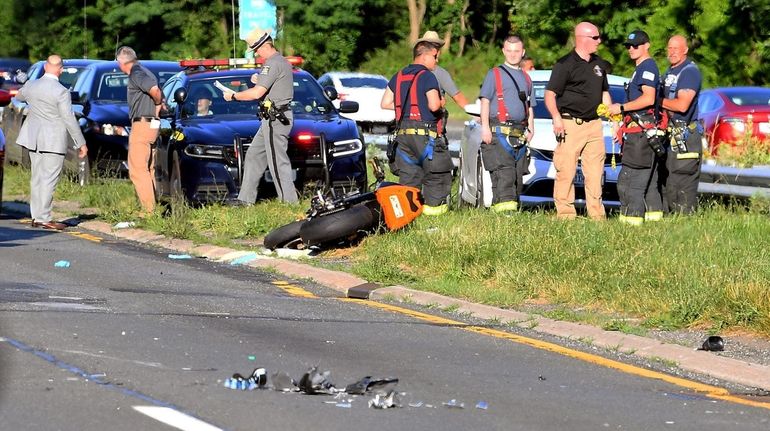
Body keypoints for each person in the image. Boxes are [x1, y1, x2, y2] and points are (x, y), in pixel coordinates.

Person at [544, 21, 612, 220]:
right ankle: (565, 214)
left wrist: (613, 119)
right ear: (583, 39)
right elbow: (550, 94)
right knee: (566, 170)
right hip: (571, 124)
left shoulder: (599, 64)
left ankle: (597, 215)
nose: (599, 41)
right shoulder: (565, 64)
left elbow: (604, 93)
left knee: (595, 172)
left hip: (594, 125)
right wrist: (556, 118)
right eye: (596, 37)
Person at [223, 29, 298, 204]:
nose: (256, 53)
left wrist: (234, 96)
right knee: (254, 155)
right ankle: (245, 200)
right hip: (272, 118)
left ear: (265, 45)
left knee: (277, 163)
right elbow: (272, 84)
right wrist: (260, 80)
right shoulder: (281, 62)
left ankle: (289, 203)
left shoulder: (272, 64)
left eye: (256, 49)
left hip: (275, 118)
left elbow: (257, 94)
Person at [15, 55, 87, 230]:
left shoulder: (32, 85)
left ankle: (36, 215)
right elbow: (68, 118)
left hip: (33, 138)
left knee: (37, 177)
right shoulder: (61, 91)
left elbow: (19, 96)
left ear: (46, 67)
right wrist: (81, 142)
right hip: (53, 140)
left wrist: (27, 83)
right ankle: (44, 217)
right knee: (49, 179)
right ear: (60, 70)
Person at [381, 40, 452, 215]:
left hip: (403, 136)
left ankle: (409, 215)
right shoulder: (428, 76)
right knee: (436, 176)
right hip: (425, 135)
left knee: (409, 178)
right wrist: (442, 103)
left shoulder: (398, 76)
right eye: (435, 57)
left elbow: (385, 103)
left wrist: (407, 110)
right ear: (425, 56)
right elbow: (434, 105)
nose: (436, 61)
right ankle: (433, 215)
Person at [608, 30, 663, 225]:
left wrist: (620, 107)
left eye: (636, 45)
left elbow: (648, 98)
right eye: (628, 46)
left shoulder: (647, 67)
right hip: (640, 133)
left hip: (640, 136)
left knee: (630, 183)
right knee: (648, 185)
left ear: (647, 45)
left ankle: (630, 227)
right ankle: (653, 224)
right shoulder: (640, 68)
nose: (631, 49)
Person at [478, 35, 535, 212]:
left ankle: (507, 213)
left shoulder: (526, 78)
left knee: (517, 178)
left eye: (516, 51)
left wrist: (531, 129)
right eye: (509, 50)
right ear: (503, 51)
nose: (512, 54)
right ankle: (505, 217)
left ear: (523, 52)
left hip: (519, 134)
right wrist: (485, 128)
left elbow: (530, 106)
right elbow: (485, 101)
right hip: (499, 133)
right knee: (504, 175)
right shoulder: (494, 74)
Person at [116, 46, 163, 216]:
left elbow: (155, 91)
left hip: (142, 124)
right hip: (151, 124)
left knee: (137, 169)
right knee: (148, 168)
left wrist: (158, 104)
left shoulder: (137, 73)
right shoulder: (145, 71)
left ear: (121, 62)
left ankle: (148, 211)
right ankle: (151, 207)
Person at [660, 35, 702, 215]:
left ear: (686, 50)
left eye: (676, 48)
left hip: (686, 136)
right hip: (670, 136)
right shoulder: (669, 72)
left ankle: (685, 229)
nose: (672, 52)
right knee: (668, 185)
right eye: (669, 48)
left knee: (681, 187)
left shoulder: (689, 72)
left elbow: (682, 105)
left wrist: (655, 100)